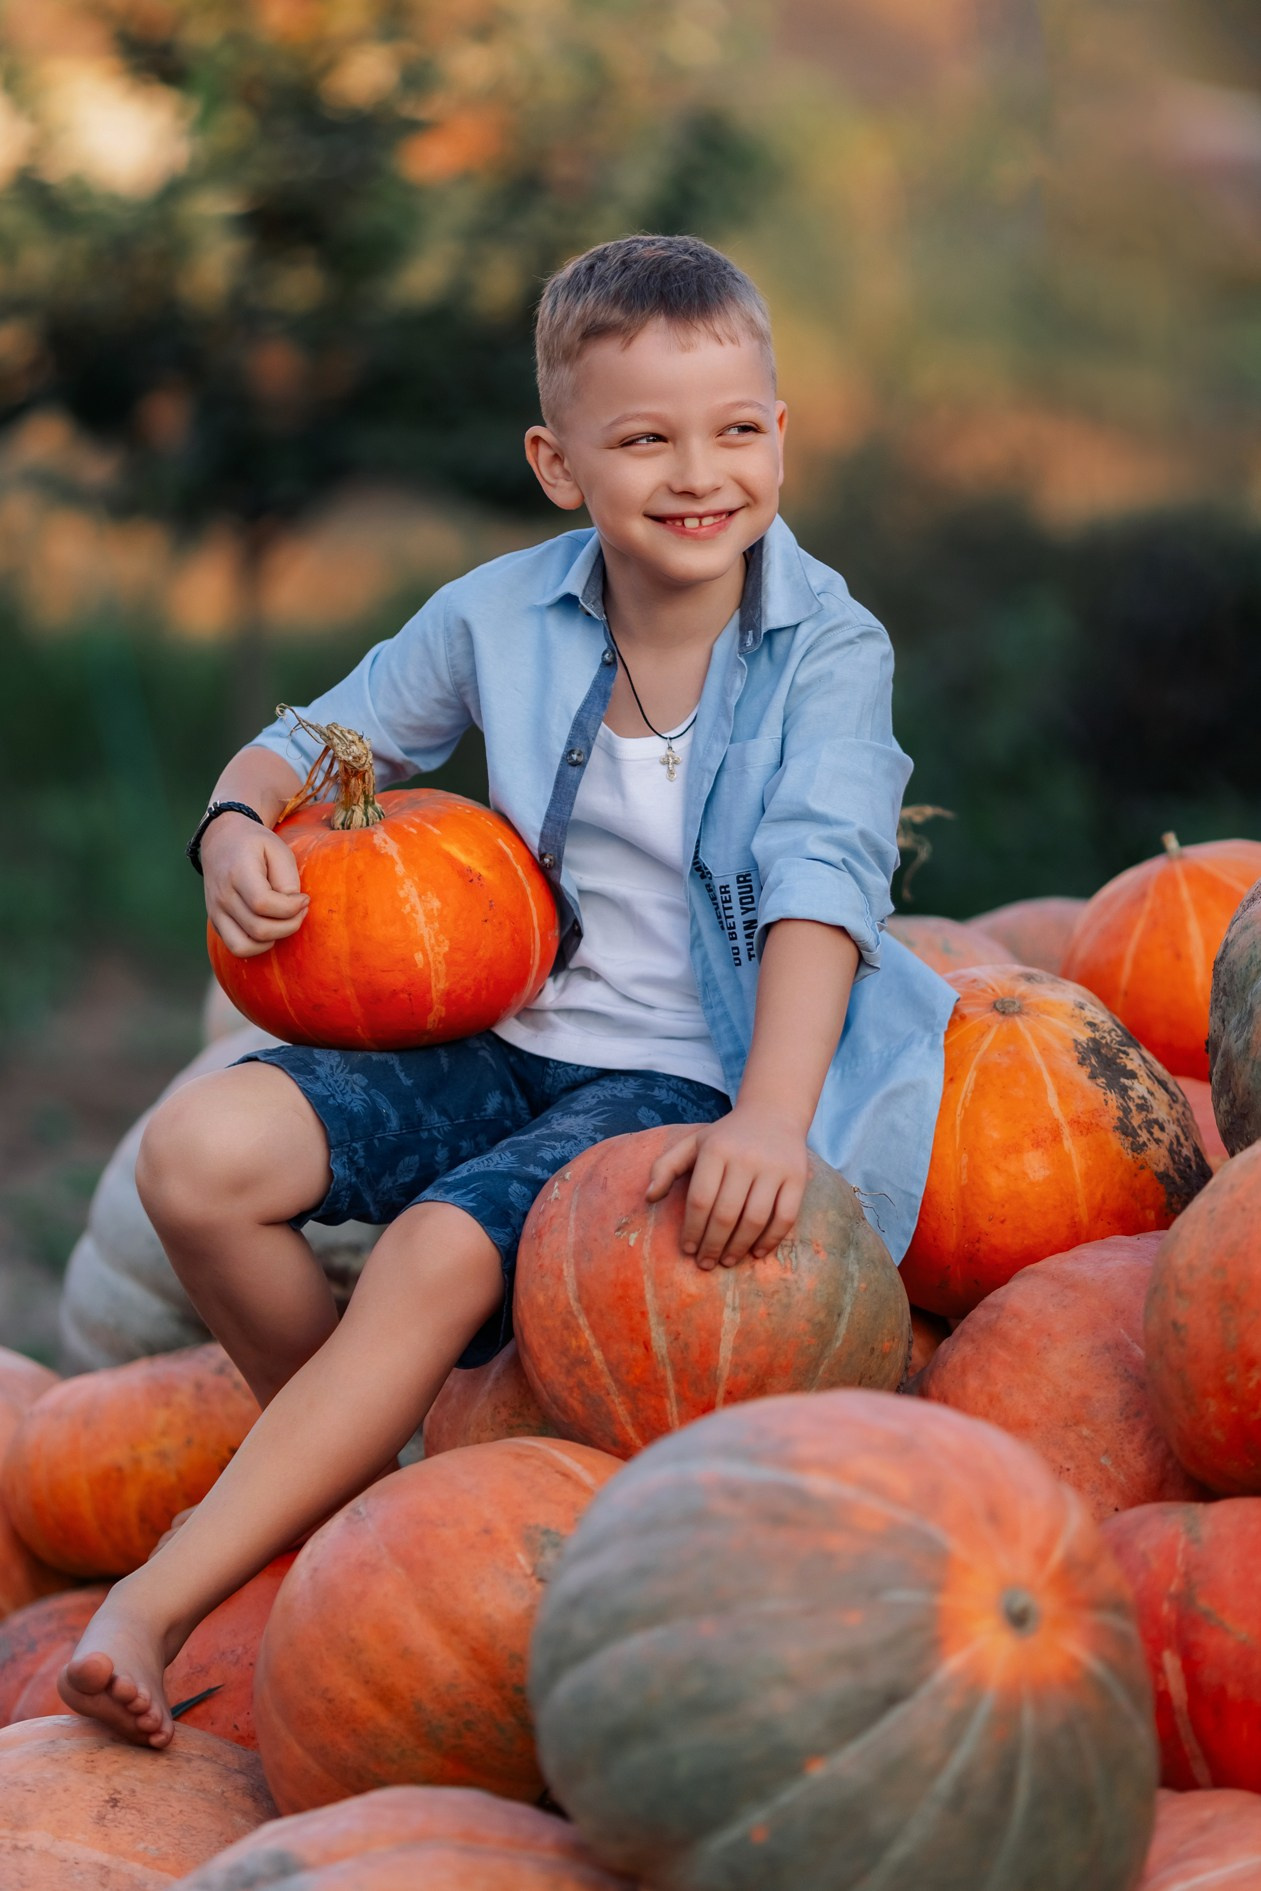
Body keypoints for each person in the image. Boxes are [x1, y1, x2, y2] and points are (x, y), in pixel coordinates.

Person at [59, 233, 955, 1746]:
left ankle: (156, 1600)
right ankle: (393, 1483)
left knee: (427, 1254)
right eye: (645, 440)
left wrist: (767, 1120)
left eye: (736, 430)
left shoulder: (827, 650)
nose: (700, 474)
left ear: (780, 436)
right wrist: (229, 822)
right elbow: (321, 736)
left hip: (691, 1075)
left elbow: (823, 883)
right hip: (510, 1032)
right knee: (195, 1159)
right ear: (558, 466)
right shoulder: (498, 616)